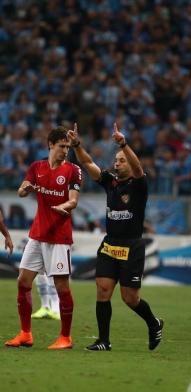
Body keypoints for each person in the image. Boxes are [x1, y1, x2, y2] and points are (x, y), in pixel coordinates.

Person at [68, 123, 163, 351]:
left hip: (132, 246)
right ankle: (104, 341)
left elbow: (139, 167)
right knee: (102, 289)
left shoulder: (139, 185)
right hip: (110, 244)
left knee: (130, 298)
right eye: (116, 160)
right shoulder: (110, 181)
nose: (117, 163)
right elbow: (88, 163)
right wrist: (78, 145)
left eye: (121, 160)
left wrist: (123, 144)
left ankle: (154, 323)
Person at [5, 126, 81, 349]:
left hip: (59, 237)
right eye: (62, 146)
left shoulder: (73, 170)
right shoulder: (36, 167)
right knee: (23, 282)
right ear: (50, 145)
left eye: (67, 147)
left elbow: (74, 201)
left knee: (62, 287)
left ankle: (65, 337)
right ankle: (25, 333)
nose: (66, 150)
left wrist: (63, 206)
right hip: (37, 235)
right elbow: (21, 190)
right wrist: (26, 189)